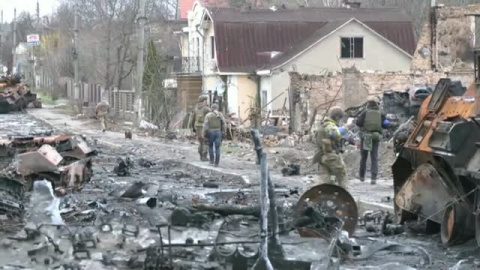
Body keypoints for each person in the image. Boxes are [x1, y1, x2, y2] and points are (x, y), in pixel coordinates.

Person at [313, 106, 347, 189]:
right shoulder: (329, 125)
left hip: (322, 156)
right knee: (341, 174)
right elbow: (334, 134)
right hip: (330, 156)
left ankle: (322, 196)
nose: (340, 120)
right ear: (337, 117)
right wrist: (346, 128)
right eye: (340, 118)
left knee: (326, 179)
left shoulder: (323, 125)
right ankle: (344, 196)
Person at [356, 98, 386, 184]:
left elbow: (358, 123)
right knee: (374, 157)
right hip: (376, 136)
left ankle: (362, 176)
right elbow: (385, 125)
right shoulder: (381, 113)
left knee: (364, 157)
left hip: (366, 137)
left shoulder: (365, 112)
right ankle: (373, 178)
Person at [189, 95, 210, 161]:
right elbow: (210, 118)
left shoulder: (195, 108)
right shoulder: (206, 109)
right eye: (207, 100)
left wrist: (192, 128)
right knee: (205, 142)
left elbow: (191, 120)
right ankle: (204, 156)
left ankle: (201, 155)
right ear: (204, 101)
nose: (207, 101)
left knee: (200, 142)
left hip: (197, 127)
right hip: (204, 127)